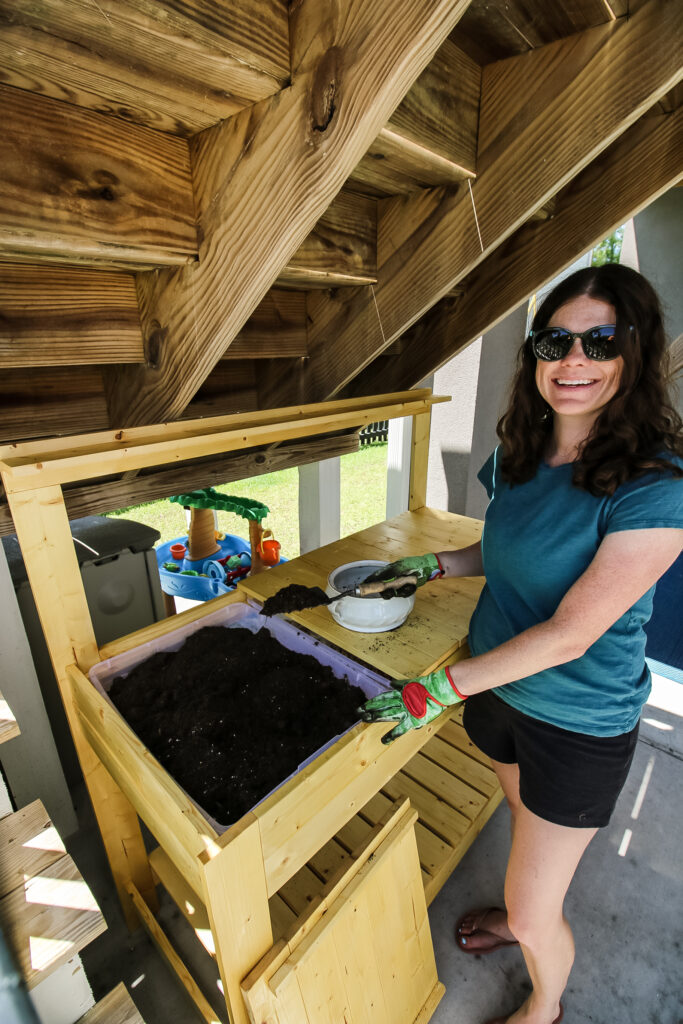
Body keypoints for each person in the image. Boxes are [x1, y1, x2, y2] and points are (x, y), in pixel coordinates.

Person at [361, 263, 683, 1024]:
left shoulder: (656, 488)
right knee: (519, 819)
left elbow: (573, 633)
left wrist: (439, 687)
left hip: (576, 721)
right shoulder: (518, 450)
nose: (571, 361)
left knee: (539, 913)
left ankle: (544, 1005)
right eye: (554, 341)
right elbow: (507, 549)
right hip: (500, 694)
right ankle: (521, 911)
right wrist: (437, 564)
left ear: (633, 355)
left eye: (598, 342)